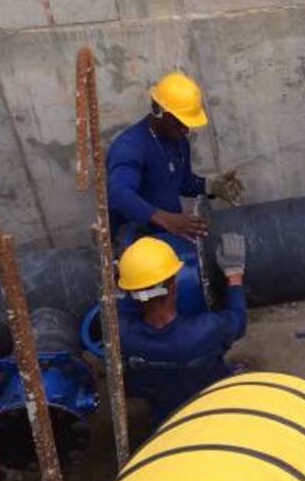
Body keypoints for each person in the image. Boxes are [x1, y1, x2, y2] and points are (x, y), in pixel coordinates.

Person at [116, 233, 248, 425]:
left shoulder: (122, 335)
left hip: (166, 419)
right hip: (213, 407)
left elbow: (123, 307)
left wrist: (125, 274)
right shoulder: (205, 331)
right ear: (173, 286)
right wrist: (234, 274)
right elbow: (239, 319)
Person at [106, 71, 241, 244]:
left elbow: (181, 182)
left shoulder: (178, 141)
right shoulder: (130, 146)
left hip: (168, 235)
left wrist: (210, 186)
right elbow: (119, 194)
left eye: (188, 124)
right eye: (179, 122)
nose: (185, 130)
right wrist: (167, 220)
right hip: (136, 242)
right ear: (158, 111)